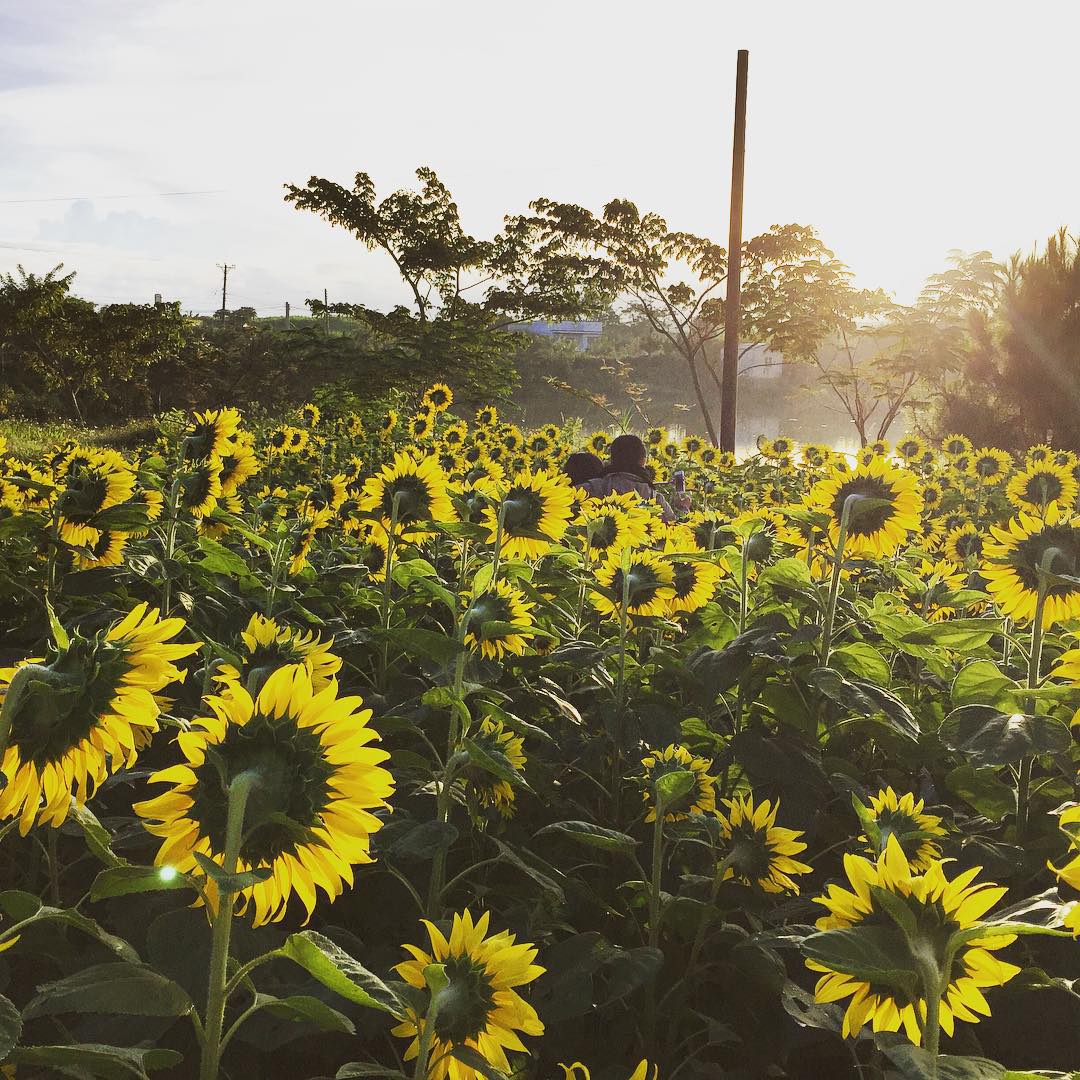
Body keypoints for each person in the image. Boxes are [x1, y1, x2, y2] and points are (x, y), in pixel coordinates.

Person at [582, 434, 679, 521]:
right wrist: (683, 508)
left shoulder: (593, 488)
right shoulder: (654, 498)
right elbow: (675, 529)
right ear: (643, 461)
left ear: (612, 458)